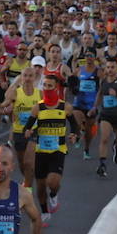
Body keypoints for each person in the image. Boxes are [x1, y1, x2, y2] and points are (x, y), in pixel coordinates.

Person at [27, 73, 75, 218]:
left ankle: (54, 194)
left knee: (52, 182)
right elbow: (28, 127)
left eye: (50, 86)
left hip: (58, 149)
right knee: (41, 187)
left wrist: (74, 134)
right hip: (41, 151)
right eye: (45, 85)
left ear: (56, 88)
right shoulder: (37, 108)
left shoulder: (65, 107)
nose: (47, 88)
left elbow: (74, 125)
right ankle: (44, 211)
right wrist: (28, 132)